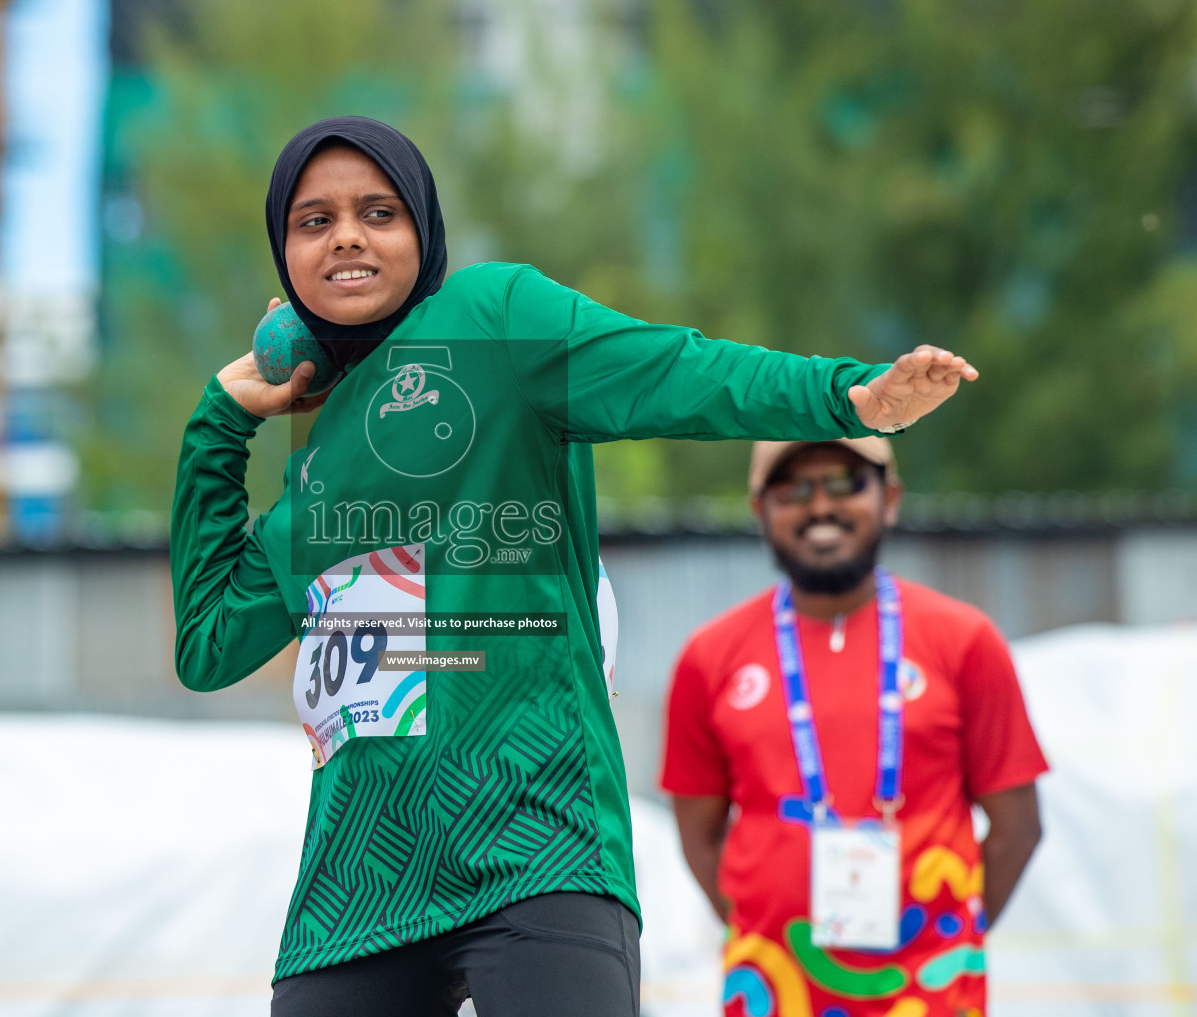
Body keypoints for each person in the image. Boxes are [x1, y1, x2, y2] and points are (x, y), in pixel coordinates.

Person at [171, 115, 979, 1017]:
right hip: (355, 889)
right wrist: (221, 419)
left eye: (379, 212)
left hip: (533, 848)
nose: (348, 235)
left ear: (425, 234)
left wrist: (849, 395)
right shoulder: (312, 473)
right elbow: (207, 643)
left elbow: (671, 370)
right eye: (313, 221)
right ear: (284, 256)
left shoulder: (493, 318)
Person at [659, 437, 1048, 1017]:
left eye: (845, 483)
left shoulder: (965, 641)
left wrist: (944, 935)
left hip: (933, 991)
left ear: (889, 499)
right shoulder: (709, 657)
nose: (821, 507)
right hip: (772, 987)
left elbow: (1018, 827)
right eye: (793, 489)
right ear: (759, 510)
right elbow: (698, 833)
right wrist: (770, 920)